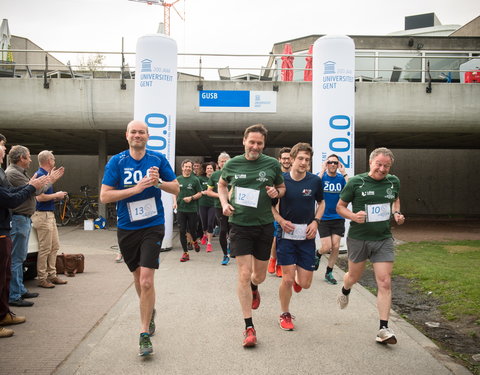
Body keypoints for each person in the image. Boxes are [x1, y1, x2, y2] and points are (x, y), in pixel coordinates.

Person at [100, 120, 179, 356]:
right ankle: (149, 310)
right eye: (133, 132)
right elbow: (105, 196)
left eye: (141, 132)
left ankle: (144, 333)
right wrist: (136, 189)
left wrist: (159, 183)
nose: (137, 135)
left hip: (153, 225)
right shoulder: (117, 161)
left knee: (146, 280)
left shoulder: (157, 159)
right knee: (137, 277)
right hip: (127, 227)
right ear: (127, 135)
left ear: (148, 135)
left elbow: (176, 188)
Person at [218, 124, 285, 347]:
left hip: (264, 225)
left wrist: (277, 192)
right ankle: (249, 326)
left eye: (260, 143)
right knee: (244, 274)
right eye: (252, 142)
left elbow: (282, 188)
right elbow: (221, 184)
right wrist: (225, 203)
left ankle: (256, 288)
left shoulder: (272, 164)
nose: (255, 146)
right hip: (239, 225)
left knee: (259, 276)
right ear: (244, 141)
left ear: (263, 145)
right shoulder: (232, 164)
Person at [336, 147, 405, 345]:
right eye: (379, 164)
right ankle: (345, 288)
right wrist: (353, 216)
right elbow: (339, 207)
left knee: (384, 282)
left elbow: (396, 199)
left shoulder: (394, 181)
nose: (382, 169)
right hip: (359, 239)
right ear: (370, 163)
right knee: (353, 277)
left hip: (383, 239)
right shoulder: (357, 182)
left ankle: (383, 328)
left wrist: (396, 213)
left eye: (386, 166)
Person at [0, 134, 49, 338]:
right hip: (10, 224)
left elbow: (11, 193)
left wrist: (32, 185)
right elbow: (10, 199)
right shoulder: (10, 172)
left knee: (7, 271)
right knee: (8, 268)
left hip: (7, 226)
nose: (3, 149)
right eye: (1, 146)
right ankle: (14, 298)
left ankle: (4, 313)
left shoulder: (3, 172)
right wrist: (33, 186)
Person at [272, 143, 324, 331]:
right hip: (286, 236)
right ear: (292, 159)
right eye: (300, 159)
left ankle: (297, 280)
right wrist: (279, 220)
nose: (303, 163)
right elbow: (270, 205)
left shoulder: (314, 181)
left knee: (305, 283)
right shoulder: (281, 180)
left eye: (307, 160)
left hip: (306, 237)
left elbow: (322, 202)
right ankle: (284, 313)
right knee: (286, 278)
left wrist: (316, 221)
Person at [6, 146, 63, 307]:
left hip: (24, 218)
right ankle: (15, 294)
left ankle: (20, 289)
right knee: (17, 258)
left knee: (21, 257)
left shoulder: (20, 173)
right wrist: (46, 182)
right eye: (28, 157)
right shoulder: (13, 173)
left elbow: (35, 191)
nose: (31, 160)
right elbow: (35, 193)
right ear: (21, 158)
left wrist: (46, 182)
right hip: (19, 218)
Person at [31, 150, 68, 289]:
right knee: (45, 248)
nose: (54, 160)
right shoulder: (41, 175)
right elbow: (39, 197)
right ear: (49, 160)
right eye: (53, 158)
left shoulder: (45, 175)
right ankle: (42, 278)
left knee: (54, 246)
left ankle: (52, 275)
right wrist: (56, 195)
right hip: (42, 215)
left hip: (48, 215)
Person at [315, 154, 349, 285]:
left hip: (338, 217)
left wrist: (344, 172)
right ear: (326, 164)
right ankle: (318, 254)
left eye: (335, 162)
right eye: (330, 162)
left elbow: (352, 186)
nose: (333, 165)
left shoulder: (341, 178)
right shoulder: (321, 176)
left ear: (339, 164)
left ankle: (329, 272)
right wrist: (322, 170)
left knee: (335, 246)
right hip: (323, 216)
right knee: (326, 247)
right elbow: (314, 186)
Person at [268, 147, 291, 278]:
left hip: (291, 212)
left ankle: (280, 264)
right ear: (279, 160)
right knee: (277, 238)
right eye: (284, 158)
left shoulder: (294, 174)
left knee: (285, 241)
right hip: (277, 212)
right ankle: (273, 259)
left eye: (288, 158)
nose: (286, 161)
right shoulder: (276, 175)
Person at [173, 159, 202, 262]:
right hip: (181, 209)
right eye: (186, 166)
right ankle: (185, 253)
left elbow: (200, 193)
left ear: (192, 168)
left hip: (192, 209)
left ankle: (194, 241)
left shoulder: (195, 180)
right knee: (182, 231)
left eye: (190, 167)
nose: (188, 168)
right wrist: (175, 202)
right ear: (182, 168)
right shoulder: (178, 179)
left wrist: (191, 198)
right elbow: (175, 192)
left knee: (192, 230)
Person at [206, 152, 231, 265]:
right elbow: (209, 192)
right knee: (223, 229)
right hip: (219, 206)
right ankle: (225, 254)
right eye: (222, 161)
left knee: (233, 230)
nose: (224, 163)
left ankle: (232, 248)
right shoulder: (214, 175)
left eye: (226, 161)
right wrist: (221, 196)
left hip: (234, 206)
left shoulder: (235, 173)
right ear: (218, 163)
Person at [198, 162, 216, 253]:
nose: (209, 170)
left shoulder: (216, 178)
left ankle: (209, 243)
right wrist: (202, 192)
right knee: (204, 223)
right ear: (205, 170)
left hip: (213, 204)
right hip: (202, 203)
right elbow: (199, 190)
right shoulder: (201, 179)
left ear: (214, 169)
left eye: (211, 168)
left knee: (210, 223)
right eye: (208, 168)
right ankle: (204, 234)